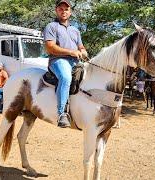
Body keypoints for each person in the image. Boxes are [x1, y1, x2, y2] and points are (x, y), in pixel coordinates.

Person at [43, 0, 88, 128]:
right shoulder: (51, 26)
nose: (64, 11)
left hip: (75, 61)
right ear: (56, 10)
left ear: (70, 12)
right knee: (66, 77)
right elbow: (50, 48)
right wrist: (71, 52)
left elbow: (81, 46)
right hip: (58, 60)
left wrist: (83, 51)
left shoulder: (75, 30)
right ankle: (61, 113)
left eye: (66, 9)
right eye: (61, 9)